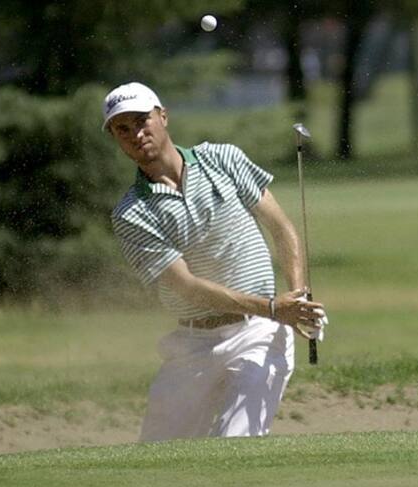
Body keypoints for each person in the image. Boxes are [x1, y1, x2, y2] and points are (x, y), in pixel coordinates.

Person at [102, 82, 327, 441]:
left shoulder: (222, 159)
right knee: (158, 461)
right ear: (115, 136)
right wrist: (274, 307)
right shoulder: (131, 213)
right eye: (122, 128)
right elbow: (186, 286)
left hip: (259, 331)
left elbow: (281, 229)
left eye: (143, 120)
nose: (136, 134)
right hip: (193, 345)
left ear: (163, 117)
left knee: (233, 444)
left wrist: (297, 299)